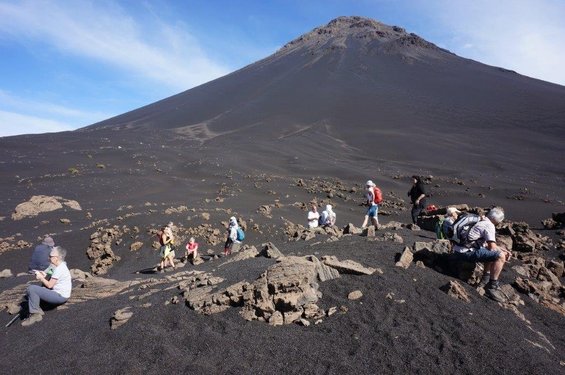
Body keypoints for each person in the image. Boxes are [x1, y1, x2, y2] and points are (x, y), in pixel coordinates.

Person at [452, 207, 511, 302]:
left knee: (491, 252)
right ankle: (492, 286)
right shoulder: (489, 225)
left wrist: (501, 248)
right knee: (500, 256)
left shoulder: (479, 219)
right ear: (498, 220)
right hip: (467, 253)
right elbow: (492, 247)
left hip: (457, 250)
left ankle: (485, 279)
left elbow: (486, 245)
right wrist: (503, 252)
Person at [22, 246, 72, 327]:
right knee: (38, 291)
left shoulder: (60, 269)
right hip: (61, 294)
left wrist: (41, 278)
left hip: (59, 296)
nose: (49, 258)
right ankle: (38, 309)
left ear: (57, 258)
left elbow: (49, 285)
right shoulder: (61, 266)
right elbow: (52, 275)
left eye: (51, 256)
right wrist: (44, 274)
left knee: (31, 289)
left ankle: (35, 314)